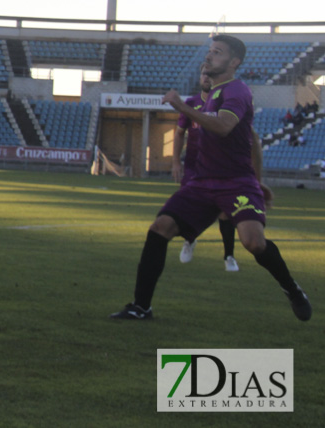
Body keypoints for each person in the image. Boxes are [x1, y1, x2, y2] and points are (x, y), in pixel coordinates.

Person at [111, 35, 311, 321]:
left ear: (233, 63)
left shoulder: (237, 91)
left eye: (217, 53)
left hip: (236, 183)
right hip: (202, 184)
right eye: (209, 51)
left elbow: (225, 127)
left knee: (253, 242)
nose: (209, 56)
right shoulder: (206, 98)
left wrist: (255, 180)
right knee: (160, 227)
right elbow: (248, 139)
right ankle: (141, 306)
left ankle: (292, 289)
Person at [172, 66, 269, 272]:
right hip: (195, 168)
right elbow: (180, 133)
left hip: (223, 168)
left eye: (209, 73)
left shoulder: (227, 101)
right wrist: (175, 162)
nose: (206, 77)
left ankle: (229, 256)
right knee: (190, 211)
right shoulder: (191, 104)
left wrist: (256, 178)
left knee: (227, 212)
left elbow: (252, 138)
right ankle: (190, 240)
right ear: (199, 78)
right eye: (203, 74)